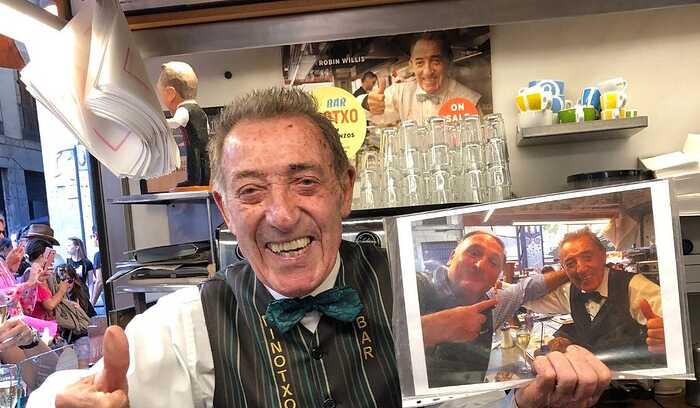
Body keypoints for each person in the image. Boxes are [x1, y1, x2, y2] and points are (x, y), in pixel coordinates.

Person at [31, 88, 610, 408]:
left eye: (305, 182)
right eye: (251, 191)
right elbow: (64, 395)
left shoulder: (413, 291)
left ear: (345, 190)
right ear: (224, 209)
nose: (282, 215)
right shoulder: (189, 323)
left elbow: (473, 404)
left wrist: (527, 406)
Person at [417, 231, 570, 387]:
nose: (480, 265)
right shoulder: (416, 287)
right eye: (474, 253)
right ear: (451, 257)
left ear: (498, 275)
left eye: (493, 262)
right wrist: (432, 328)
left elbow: (530, 287)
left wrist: (572, 270)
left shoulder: (495, 303)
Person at [525, 228, 665, 369]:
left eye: (587, 257)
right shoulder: (570, 291)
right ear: (563, 269)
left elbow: (673, 324)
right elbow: (526, 299)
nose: (581, 269)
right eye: (570, 264)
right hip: (592, 376)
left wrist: (667, 335)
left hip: (636, 377)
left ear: (603, 255)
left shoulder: (635, 286)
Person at [359, 32, 481, 125]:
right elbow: (359, 111)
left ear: (448, 62)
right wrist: (367, 103)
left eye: (435, 61)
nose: (427, 72)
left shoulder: (469, 101)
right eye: (420, 63)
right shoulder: (401, 92)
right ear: (411, 65)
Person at [157, 61, 210, 187]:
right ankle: (204, 181)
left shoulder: (184, 109)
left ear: (170, 94)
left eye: (161, 95)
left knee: (194, 162)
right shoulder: (199, 109)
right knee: (204, 162)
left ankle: (194, 181)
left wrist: (159, 122)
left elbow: (176, 122)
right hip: (204, 143)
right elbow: (206, 125)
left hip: (193, 143)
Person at [66, 238, 94, 303]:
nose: (67, 247)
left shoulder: (87, 263)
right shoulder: (67, 262)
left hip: (83, 293)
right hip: (71, 294)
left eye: (69, 245)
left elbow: (90, 282)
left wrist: (91, 299)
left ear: (77, 247)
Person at [90, 226, 104, 308]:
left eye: (92, 236)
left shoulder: (98, 255)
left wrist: (92, 304)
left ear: (96, 236)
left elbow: (99, 282)